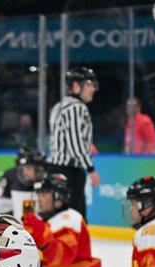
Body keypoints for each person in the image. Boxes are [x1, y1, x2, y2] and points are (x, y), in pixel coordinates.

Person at [20, 172, 102, 267]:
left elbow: (63, 257)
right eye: (38, 195)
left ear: (58, 198)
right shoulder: (49, 220)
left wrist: (42, 236)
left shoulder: (69, 219)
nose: (39, 200)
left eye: (43, 194)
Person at [48, 66, 101, 216]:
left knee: (57, 216)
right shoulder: (77, 107)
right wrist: (90, 169)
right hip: (69, 171)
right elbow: (75, 143)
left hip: (56, 168)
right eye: (90, 85)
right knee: (74, 218)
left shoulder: (59, 106)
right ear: (77, 86)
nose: (93, 89)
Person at [0, 144, 46, 219]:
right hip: (11, 218)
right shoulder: (10, 175)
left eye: (28, 167)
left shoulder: (45, 182)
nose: (24, 172)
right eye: (24, 167)